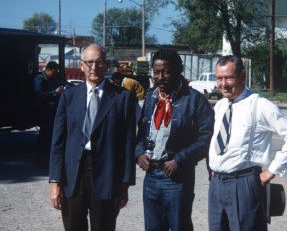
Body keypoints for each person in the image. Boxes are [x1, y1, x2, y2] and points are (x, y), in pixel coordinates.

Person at [208, 55, 287, 231]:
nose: (223, 84)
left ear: (242, 76)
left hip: (244, 184)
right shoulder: (221, 106)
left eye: (229, 77)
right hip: (217, 184)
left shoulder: (259, 105)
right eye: (219, 78)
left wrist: (272, 171)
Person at [49, 44, 136, 231]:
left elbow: (128, 145)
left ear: (107, 64)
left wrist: (124, 186)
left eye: (98, 62)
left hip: (107, 176)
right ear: (81, 65)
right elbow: (58, 141)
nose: (94, 67)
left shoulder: (122, 98)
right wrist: (55, 182)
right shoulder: (68, 96)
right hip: (73, 175)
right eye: (89, 62)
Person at [135, 49, 214, 231]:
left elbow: (206, 138)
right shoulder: (150, 97)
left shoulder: (195, 100)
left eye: (166, 72)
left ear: (179, 71)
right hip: (151, 178)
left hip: (177, 179)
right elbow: (140, 135)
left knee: (180, 226)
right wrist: (139, 153)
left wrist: (180, 159)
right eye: (156, 72)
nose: (160, 77)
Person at [34, 61, 64, 168]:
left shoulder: (51, 80)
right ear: (47, 70)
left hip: (51, 112)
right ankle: (40, 161)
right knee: (44, 138)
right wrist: (54, 92)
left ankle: (45, 161)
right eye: (53, 72)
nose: (54, 75)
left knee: (49, 137)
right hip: (43, 112)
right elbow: (38, 94)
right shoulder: (39, 79)